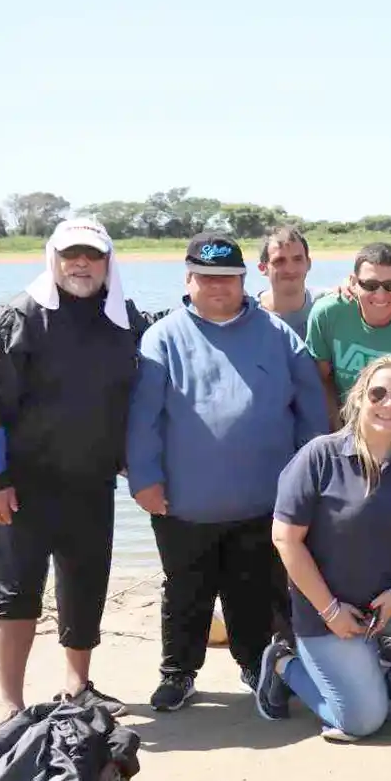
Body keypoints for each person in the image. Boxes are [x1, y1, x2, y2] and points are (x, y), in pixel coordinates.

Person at [127, 233, 328, 712]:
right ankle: (178, 672)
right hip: (183, 501)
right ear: (188, 279)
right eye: (207, 277)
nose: (218, 286)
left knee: (251, 587)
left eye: (228, 278)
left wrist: (310, 479)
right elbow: (143, 418)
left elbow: (311, 411)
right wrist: (144, 479)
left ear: (243, 280)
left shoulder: (278, 334)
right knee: (185, 589)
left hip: (263, 498)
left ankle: (254, 663)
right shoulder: (162, 338)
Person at [0, 219, 152, 718]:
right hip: (21, 486)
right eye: (71, 254)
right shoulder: (14, 319)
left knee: (85, 585)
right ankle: (11, 705)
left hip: (92, 482)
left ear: (108, 262)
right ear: (54, 259)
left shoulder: (127, 321)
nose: (81, 263)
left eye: (92, 254)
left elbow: (183, 334)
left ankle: (78, 686)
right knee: (14, 592)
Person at [254, 356, 391, 740]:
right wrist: (330, 610)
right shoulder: (319, 456)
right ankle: (284, 666)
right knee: (362, 722)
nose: (389, 404)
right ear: (359, 397)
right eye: (378, 393)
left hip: (390, 602)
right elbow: (285, 538)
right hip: (327, 609)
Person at [305, 243, 391, 441]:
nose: (380, 295)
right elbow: (322, 379)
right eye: (370, 285)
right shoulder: (327, 314)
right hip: (349, 435)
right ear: (354, 282)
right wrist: (339, 435)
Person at [255, 225, 328, 337]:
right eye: (280, 261)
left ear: (308, 263)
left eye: (297, 259)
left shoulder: (328, 305)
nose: (290, 269)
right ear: (263, 268)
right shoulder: (248, 314)